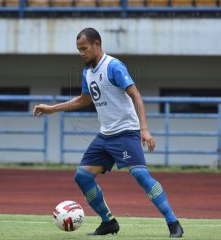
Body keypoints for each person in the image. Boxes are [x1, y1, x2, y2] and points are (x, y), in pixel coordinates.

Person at [33, 27, 184, 238]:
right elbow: (84, 99)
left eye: (84, 48)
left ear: (97, 44)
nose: (81, 53)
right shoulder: (87, 72)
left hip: (126, 133)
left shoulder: (114, 66)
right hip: (105, 136)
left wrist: (145, 130)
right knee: (83, 177)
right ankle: (108, 222)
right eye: (78, 50)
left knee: (140, 174)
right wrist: (52, 109)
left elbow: (136, 95)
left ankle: (173, 223)